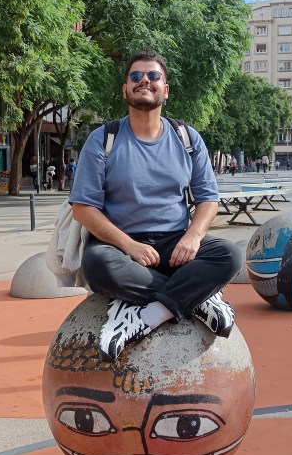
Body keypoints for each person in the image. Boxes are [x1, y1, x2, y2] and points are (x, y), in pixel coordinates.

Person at [70, 50, 242, 362]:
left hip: (174, 243)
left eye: (153, 76)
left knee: (228, 255)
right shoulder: (103, 138)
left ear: (166, 89)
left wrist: (192, 237)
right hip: (120, 245)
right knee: (98, 266)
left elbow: (207, 199)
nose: (144, 81)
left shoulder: (187, 138)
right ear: (125, 89)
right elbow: (83, 208)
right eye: (135, 76)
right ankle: (197, 298)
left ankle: (147, 316)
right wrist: (129, 246)